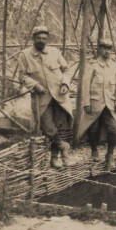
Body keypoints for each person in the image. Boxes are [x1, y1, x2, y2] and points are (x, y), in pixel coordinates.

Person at [18, 26, 73, 169]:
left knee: (59, 126)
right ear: (33, 38)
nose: (42, 41)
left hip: (60, 95)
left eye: (44, 38)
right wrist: (35, 84)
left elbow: (66, 69)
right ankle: (63, 147)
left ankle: (55, 158)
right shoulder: (25, 55)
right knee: (48, 127)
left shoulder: (54, 52)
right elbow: (22, 76)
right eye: (39, 38)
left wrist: (66, 84)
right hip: (42, 98)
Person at [81, 38, 116, 171]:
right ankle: (94, 150)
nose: (107, 51)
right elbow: (85, 85)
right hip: (95, 103)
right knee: (92, 128)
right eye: (104, 48)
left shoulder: (114, 66)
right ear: (99, 49)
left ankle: (109, 155)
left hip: (109, 104)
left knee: (113, 128)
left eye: (109, 48)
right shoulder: (92, 65)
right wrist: (86, 102)